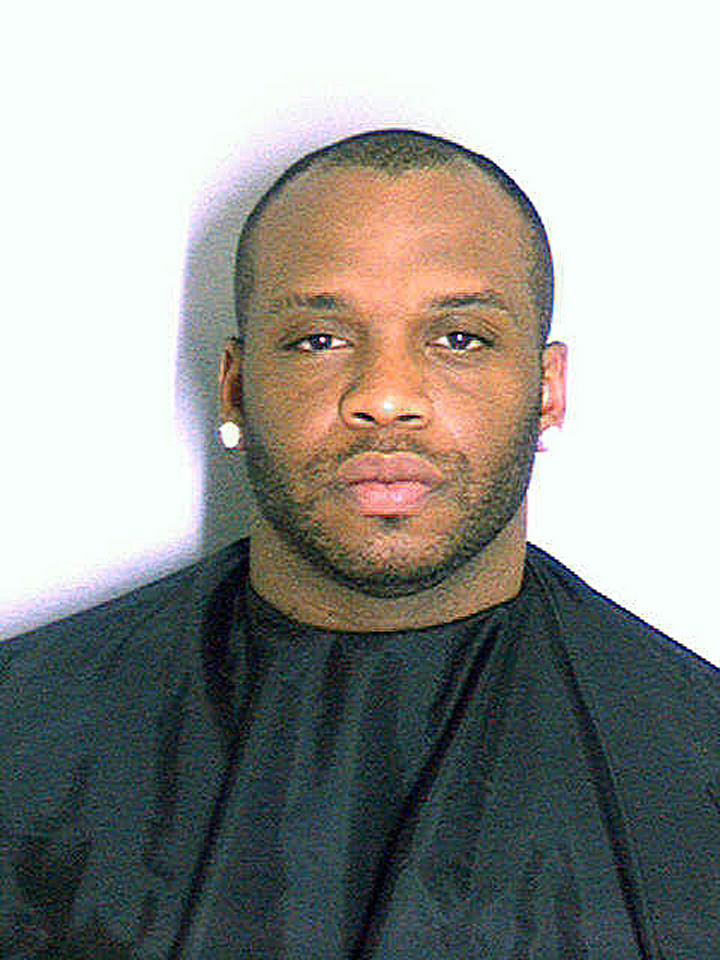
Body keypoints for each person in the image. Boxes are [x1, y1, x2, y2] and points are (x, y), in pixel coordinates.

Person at [1, 129, 718, 960]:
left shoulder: (698, 775)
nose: (384, 396)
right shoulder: (21, 747)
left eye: (460, 338)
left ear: (548, 391)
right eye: (320, 339)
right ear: (234, 386)